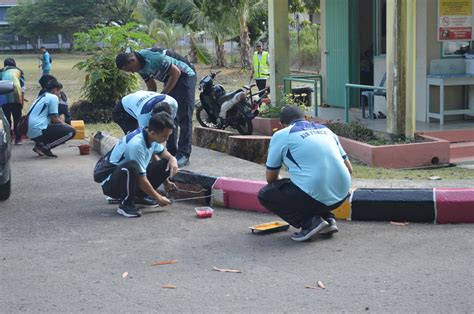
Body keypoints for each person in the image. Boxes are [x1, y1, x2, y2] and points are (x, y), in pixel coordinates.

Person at [258, 106, 353, 242]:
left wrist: (287, 185)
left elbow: (271, 178)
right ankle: (329, 219)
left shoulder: (282, 135)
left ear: (281, 124)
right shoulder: (326, 131)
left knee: (266, 194)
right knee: (308, 188)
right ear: (306, 118)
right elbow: (349, 168)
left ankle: (310, 223)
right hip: (342, 193)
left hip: (315, 194)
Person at [115, 48, 196, 168]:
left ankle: (184, 154)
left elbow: (176, 72)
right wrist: (149, 99)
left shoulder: (152, 58)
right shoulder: (140, 67)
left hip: (185, 75)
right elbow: (151, 86)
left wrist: (163, 95)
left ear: (132, 60)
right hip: (171, 78)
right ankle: (172, 153)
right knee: (168, 117)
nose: (132, 72)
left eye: (130, 69)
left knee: (184, 116)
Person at [96, 112, 178, 218]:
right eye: (164, 136)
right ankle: (125, 205)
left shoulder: (150, 134)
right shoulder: (136, 145)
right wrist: (159, 198)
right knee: (131, 166)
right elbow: (141, 180)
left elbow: (162, 153)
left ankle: (138, 197)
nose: (166, 140)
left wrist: (172, 159)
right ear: (153, 133)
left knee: (166, 162)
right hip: (111, 183)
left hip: (129, 177)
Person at [27, 80, 76, 158]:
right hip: (38, 130)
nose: (59, 95)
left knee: (54, 126)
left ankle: (39, 144)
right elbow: (54, 119)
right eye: (59, 92)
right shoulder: (53, 97)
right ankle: (45, 148)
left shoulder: (41, 96)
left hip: (30, 131)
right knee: (71, 132)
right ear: (55, 90)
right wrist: (67, 126)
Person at [112, 90, 178, 134]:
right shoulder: (144, 116)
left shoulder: (173, 103)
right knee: (134, 138)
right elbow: (145, 137)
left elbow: (169, 126)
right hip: (122, 110)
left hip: (138, 100)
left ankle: (172, 151)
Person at [1, 58, 25, 144]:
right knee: (17, 118)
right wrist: (22, 99)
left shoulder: (1, 71)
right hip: (16, 96)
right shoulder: (19, 71)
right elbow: (22, 87)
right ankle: (18, 138)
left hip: (4, 97)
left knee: (6, 119)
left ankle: (8, 137)